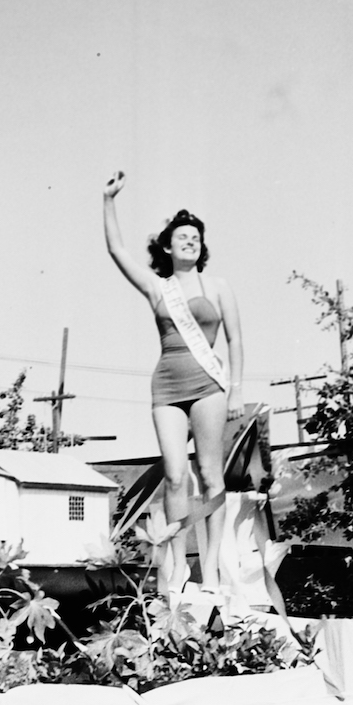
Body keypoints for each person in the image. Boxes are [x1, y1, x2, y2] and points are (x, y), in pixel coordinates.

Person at [103, 171, 242, 596]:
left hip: (209, 385)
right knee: (176, 476)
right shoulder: (156, 287)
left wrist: (236, 388)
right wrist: (108, 200)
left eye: (195, 237)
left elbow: (235, 338)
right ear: (166, 246)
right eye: (181, 236)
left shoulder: (217, 287)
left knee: (210, 474)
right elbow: (116, 249)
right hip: (166, 385)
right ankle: (179, 566)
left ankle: (213, 567)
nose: (189, 241)